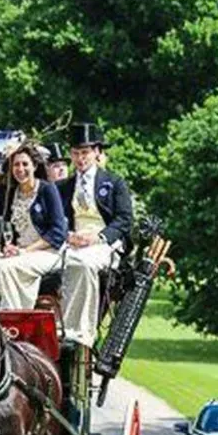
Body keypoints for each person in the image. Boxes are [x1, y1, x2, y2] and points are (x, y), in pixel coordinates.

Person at [57, 122, 133, 347]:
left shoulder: (114, 183)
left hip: (103, 243)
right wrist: (69, 236)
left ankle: (80, 330)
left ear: (97, 152)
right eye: (76, 153)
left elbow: (124, 220)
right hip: (72, 240)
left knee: (84, 263)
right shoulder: (64, 186)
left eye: (85, 153)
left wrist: (97, 237)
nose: (80, 158)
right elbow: (57, 220)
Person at [0, 143, 67, 309]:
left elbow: (58, 232)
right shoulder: (12, 193)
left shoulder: (47, 190)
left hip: (48, 253)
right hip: (20, 252)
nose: (20, 169)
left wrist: (26, 251)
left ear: (34, 166)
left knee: (4, 267)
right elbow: (9, 229)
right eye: (16, 165)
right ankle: (12, 315)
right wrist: (10, 247)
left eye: (25, 164)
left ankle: (14, 316)